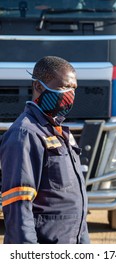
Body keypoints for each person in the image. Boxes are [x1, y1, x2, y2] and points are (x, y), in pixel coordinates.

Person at [0, 56, 90, 244]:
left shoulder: (59, 131)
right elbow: (18, 207)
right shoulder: (25, 134)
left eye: (73, 88)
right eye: (62, 88)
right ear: (38, 87)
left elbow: (74, 204)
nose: (69, 94)